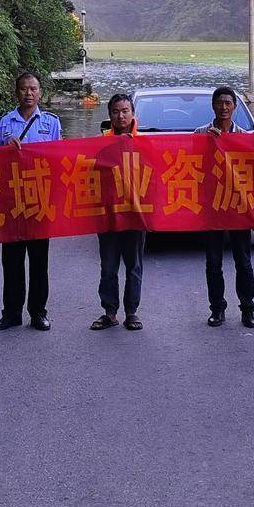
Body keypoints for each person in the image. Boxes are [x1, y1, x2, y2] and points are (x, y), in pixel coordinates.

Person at [0, 71, 62, 332]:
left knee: (39, 262)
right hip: (11, 203)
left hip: (39, 202)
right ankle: (11, 313)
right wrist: (3, 148)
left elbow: (59, 161)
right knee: (11, 261)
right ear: (16, 92)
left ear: (40, 93)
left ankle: (38, 312)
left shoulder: (51, 123)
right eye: (23, 89)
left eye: (33, 89)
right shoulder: (5, 123)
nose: (28, 93)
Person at [195, 86, 254, 329]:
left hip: (237, 206)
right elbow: (192, 169)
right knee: (213, 262)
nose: (223, 107)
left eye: (228, 103)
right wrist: (206, 144)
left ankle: (248, 309)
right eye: (219, 103)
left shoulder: (244, 136)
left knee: (243, 260)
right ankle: (217, 308)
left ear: (234, 107)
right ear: (213, 106)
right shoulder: (200, 133)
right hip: (212, 207)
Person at [90, 93, 146, 332]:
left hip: (135, 213)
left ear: (133, 113)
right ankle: (110, 312)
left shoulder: (145, 142)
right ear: (110, 115)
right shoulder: (100, 142)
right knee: (109, 266)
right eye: (116, 111)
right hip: (109, 213)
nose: (121, 116)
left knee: (134, 265)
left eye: (125, 111)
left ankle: (131, 312)